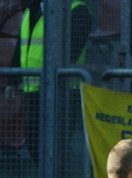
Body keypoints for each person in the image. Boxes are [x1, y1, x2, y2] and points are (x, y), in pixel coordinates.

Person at [5, 0, 92, 163]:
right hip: (31, 89)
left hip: (63, 90)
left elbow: (71, 51)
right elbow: (20, 47)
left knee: (57, 143)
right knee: (34, 142)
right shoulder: (30, 11)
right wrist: (12, 79)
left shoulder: (77, 10)